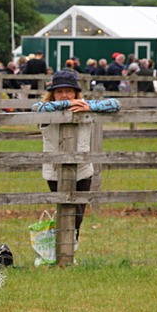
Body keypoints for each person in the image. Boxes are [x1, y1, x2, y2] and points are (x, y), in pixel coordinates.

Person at [32, 69, 119, 238]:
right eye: (59, 92)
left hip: (83, 168)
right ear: (53, 94)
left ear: (76, 92)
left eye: (69, 91)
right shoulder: (46, 111)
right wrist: (70, 104)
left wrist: (88, 106)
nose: (64, 95)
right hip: (54, 170)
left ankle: (70, 247)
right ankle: (62, 247)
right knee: (67, 210)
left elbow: (116, 104)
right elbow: (36, 106)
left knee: (79, 213)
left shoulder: (85, 108)